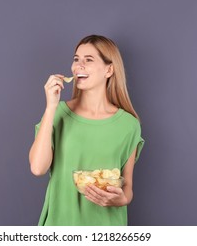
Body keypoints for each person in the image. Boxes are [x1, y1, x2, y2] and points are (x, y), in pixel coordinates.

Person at [29, 34, 145, 226]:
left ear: (109, 70)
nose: (78, 66)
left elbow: (128, 188)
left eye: (88, 60)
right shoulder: (57, 113)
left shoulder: (129, 125)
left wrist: (121, 199)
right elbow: (38, 168)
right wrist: (51, 106)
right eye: (76, 59)